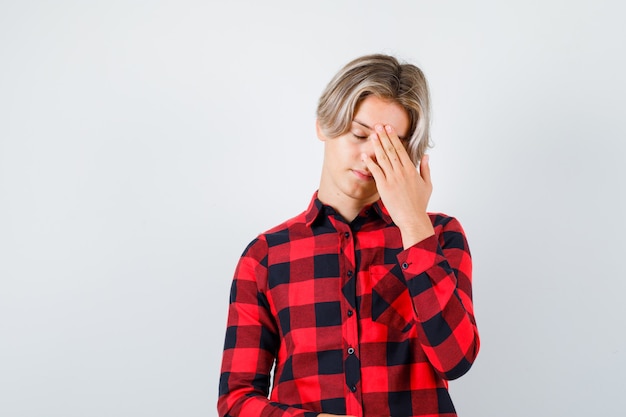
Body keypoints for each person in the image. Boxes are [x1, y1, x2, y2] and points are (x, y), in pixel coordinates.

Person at [217, 53, 480, 417]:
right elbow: (236, 400)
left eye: (392, 146)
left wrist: (412, 222)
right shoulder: (265, 256)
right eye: (359, 134)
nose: (372, 155)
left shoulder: (439, 236)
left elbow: (456, 359)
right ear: (324, 125)